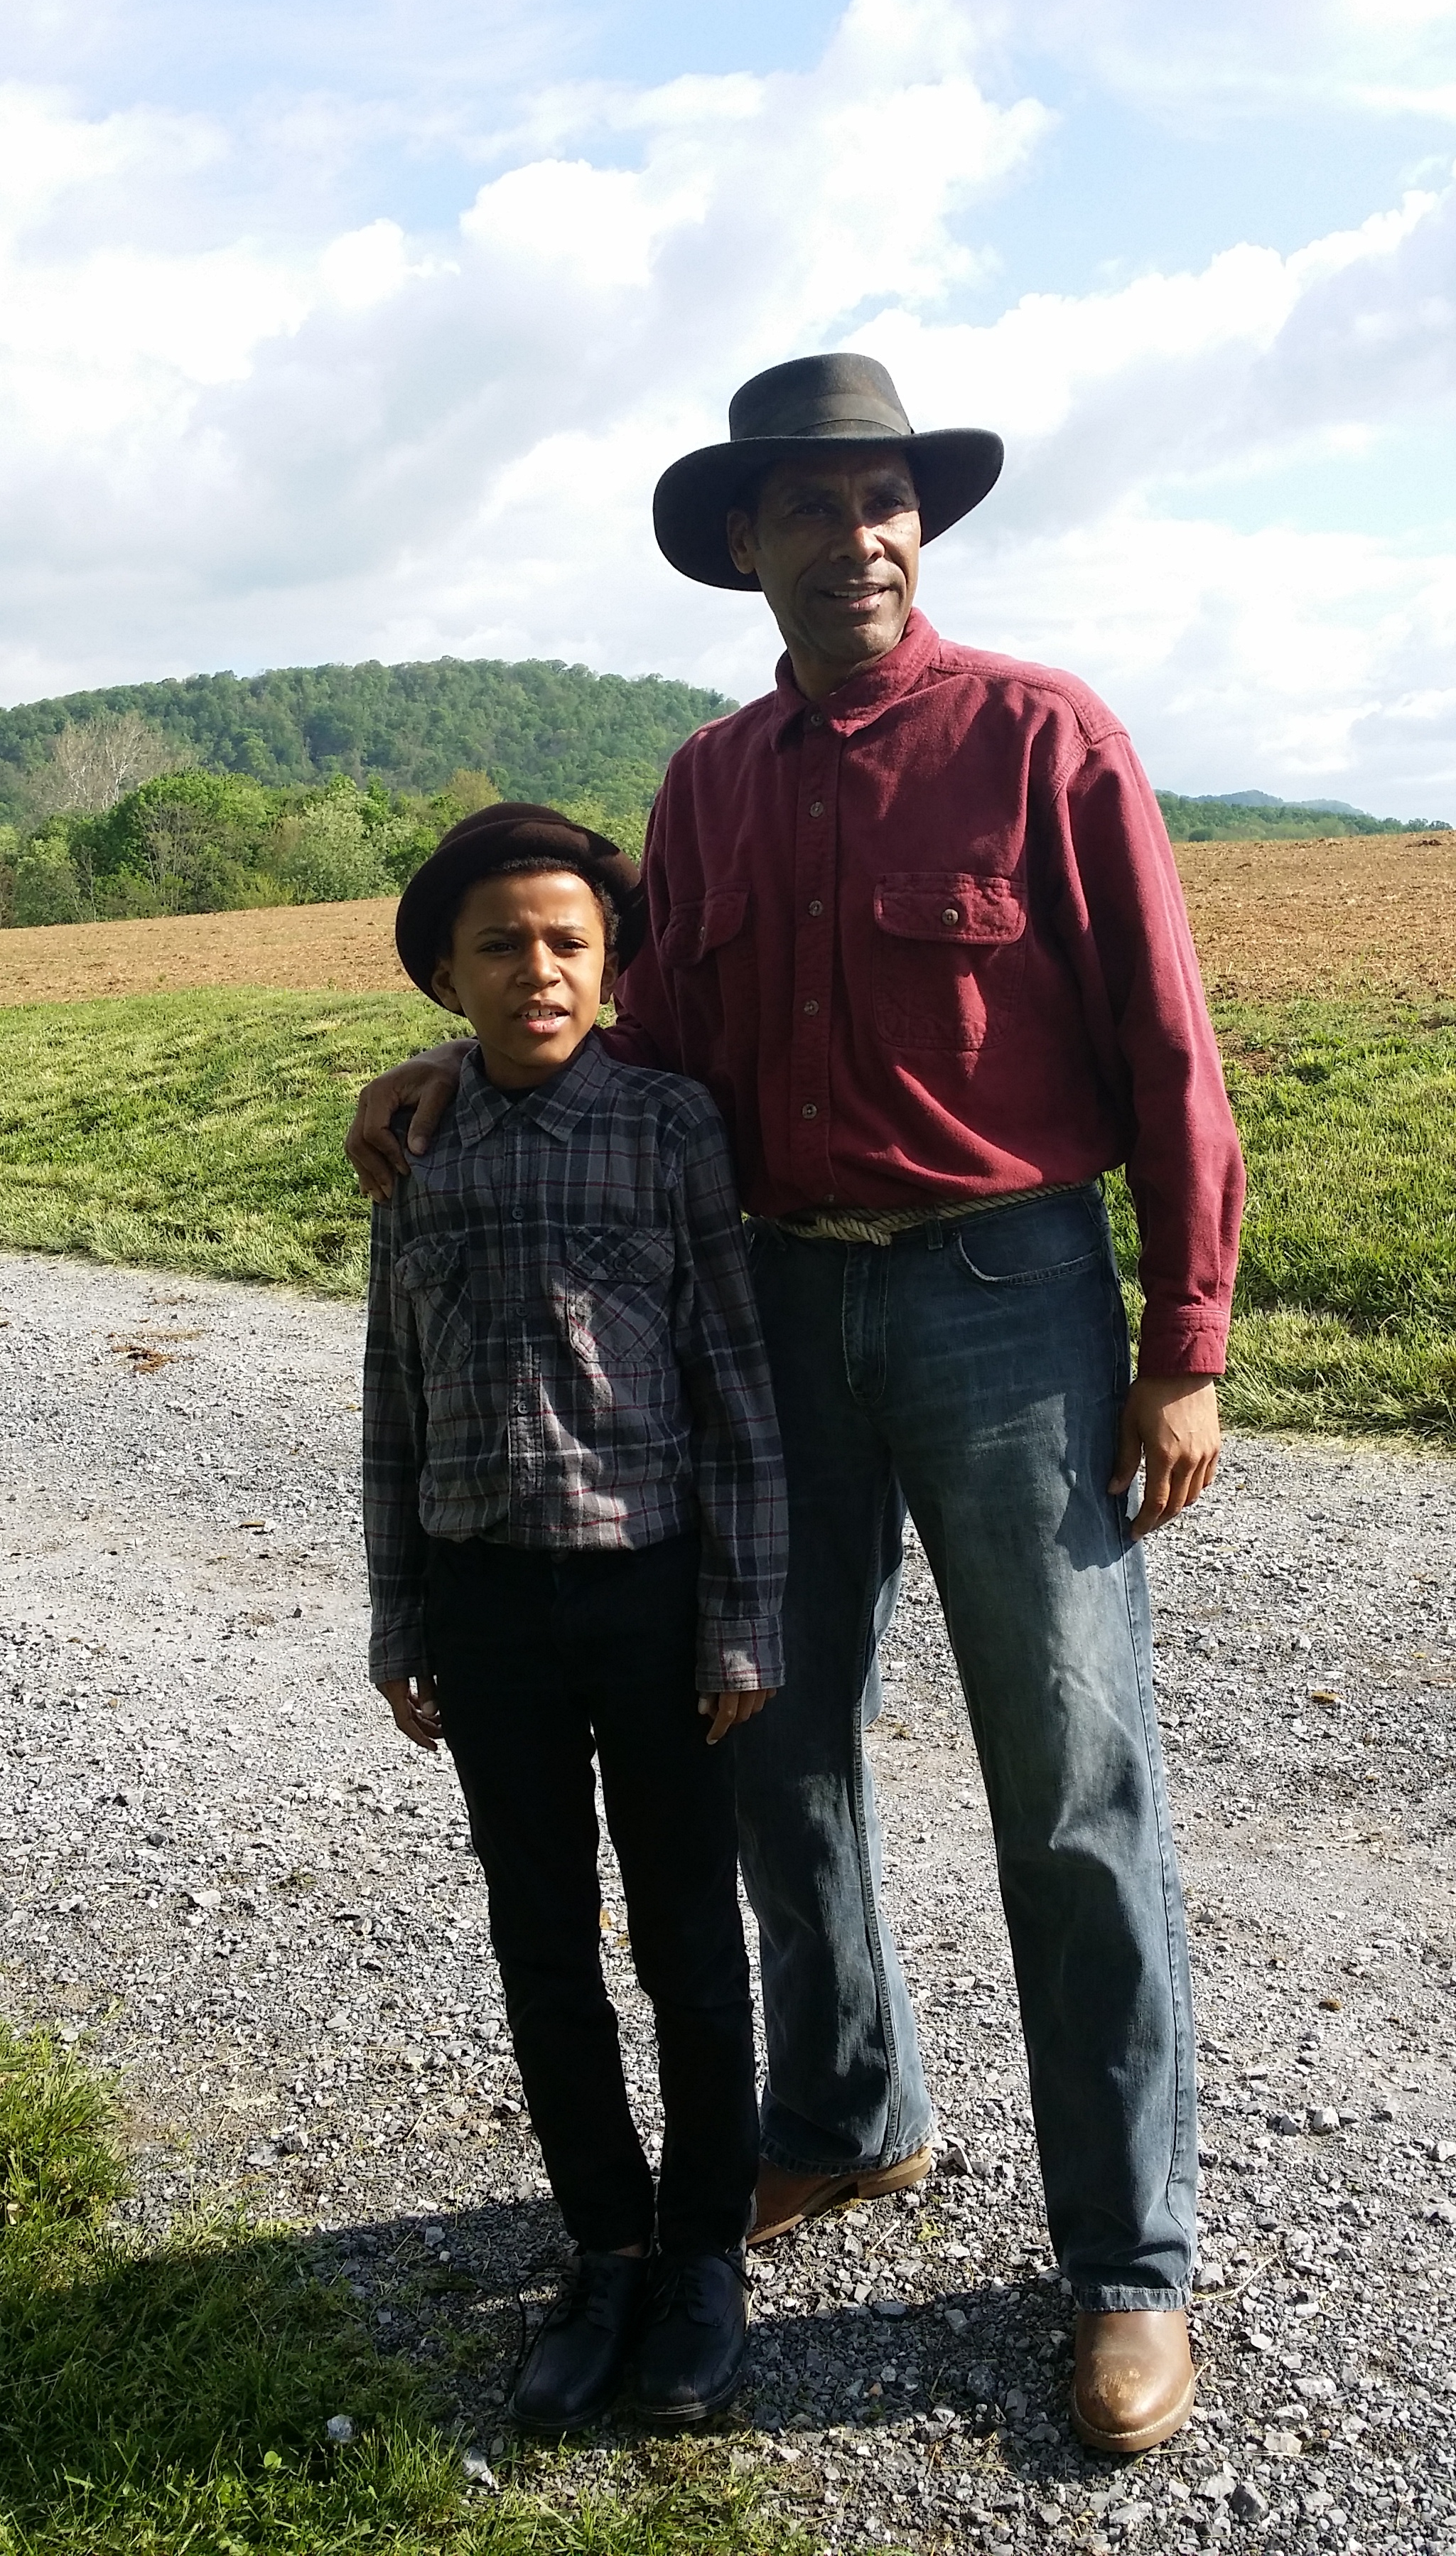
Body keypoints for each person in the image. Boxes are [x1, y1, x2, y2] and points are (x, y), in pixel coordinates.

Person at [349, 354, 1246, 2456]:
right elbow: (631, 1025)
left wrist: (1184, 1339)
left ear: (916, 529)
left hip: (1005, 1299)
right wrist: (437, 1073)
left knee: (1071, 1789)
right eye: (807, 509)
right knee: (773, 1742)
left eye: (883, 503)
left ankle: (1126, 2264)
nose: (854, 539)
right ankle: (847, 2113)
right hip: (764, 1314)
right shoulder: (705, 787)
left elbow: (1167, 1043)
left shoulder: (1044, 737)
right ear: (738, 546)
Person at [362, 802, 785, 2433]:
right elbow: (392, 1388)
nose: (535, 970)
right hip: (485, 1596)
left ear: (610, 965)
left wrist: (743, 1616)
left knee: (688, 1930)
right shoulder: (416, 1146)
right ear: (446, 977)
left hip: (653, 1591)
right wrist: (401, 1606)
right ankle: (602, 2246)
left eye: (565, 943)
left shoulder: (672, 1126)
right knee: (540, 1934)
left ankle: (702, 2258)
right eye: (498, 946)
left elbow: (736, 1382)